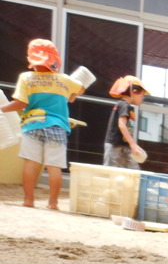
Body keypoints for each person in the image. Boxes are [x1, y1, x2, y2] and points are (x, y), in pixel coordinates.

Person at [1, 39, 84, 209]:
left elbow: (21, 103)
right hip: (57, 127)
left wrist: (2, 108)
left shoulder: (26, 78)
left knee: (31, 163)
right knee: (54, 166)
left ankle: (28, 200)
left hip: (32, 126)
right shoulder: (64, 79)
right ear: (54, 60)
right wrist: (73, 94)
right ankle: (53, 203)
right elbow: (81, 88)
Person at [104, 75, 149, 169]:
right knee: (109, 171)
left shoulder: (128, 107)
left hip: (124, 145)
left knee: (134, 170)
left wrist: (131, 145)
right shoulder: (124, 105)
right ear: (134, 91)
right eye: (142, 95)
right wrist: (133, 144)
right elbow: (122, 125)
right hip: (114, 144)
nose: (143, 98)